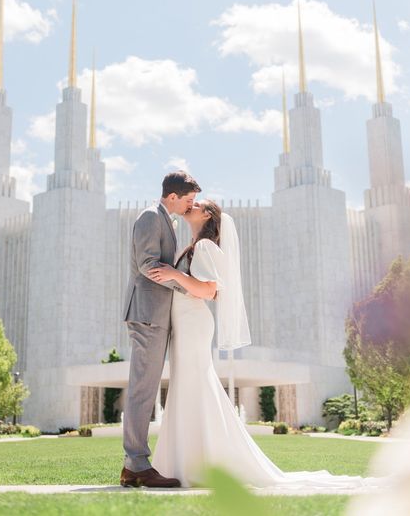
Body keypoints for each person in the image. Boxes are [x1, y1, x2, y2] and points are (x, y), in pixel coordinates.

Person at [148, 200, 385, 494]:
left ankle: (200, 463)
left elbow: (209, 291)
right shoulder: (194, 246)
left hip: (194, 326)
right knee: (187, 387)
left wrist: (173, 274)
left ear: (207, 214)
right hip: (183, 326)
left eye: (196, 204)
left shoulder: (207, 246)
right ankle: (185, 462)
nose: (190, 206)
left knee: (194, 386)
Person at [120, 170, 201, 488]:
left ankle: (133, 466)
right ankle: (137, 463)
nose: (190, 206)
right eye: (188, 200)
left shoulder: (165, 220)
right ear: (172, 197)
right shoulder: (151, 217)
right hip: (147, 315)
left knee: (146, 389)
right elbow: (149, 266)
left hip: (156, 316)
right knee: (142, 389)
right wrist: (189, 288)